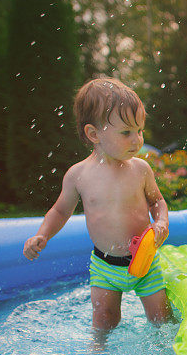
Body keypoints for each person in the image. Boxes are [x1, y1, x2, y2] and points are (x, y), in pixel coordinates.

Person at [23, 78, 172, 334]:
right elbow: (60, 210)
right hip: (105, 266)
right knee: (104, 321)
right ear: (94, 134)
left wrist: (161, 222)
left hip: (144, 260)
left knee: (161, 319)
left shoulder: (140, 169)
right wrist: (42, 234)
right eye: (126, 132)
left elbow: (157, 201)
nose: (137, 139)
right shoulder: (78, 175)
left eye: (140, 130)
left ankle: (165, 353)